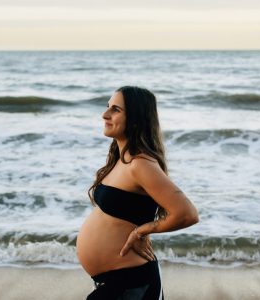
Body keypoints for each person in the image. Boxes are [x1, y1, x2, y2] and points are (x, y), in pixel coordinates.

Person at [76, 86, 199, 299]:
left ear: (135, 119)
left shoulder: (140, 164)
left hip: (133, 284)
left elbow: (187, 213)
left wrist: (141, 231)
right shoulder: (120, 160)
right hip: (117, 283)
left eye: (115, 110)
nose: (105, 115)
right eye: (107, 107)